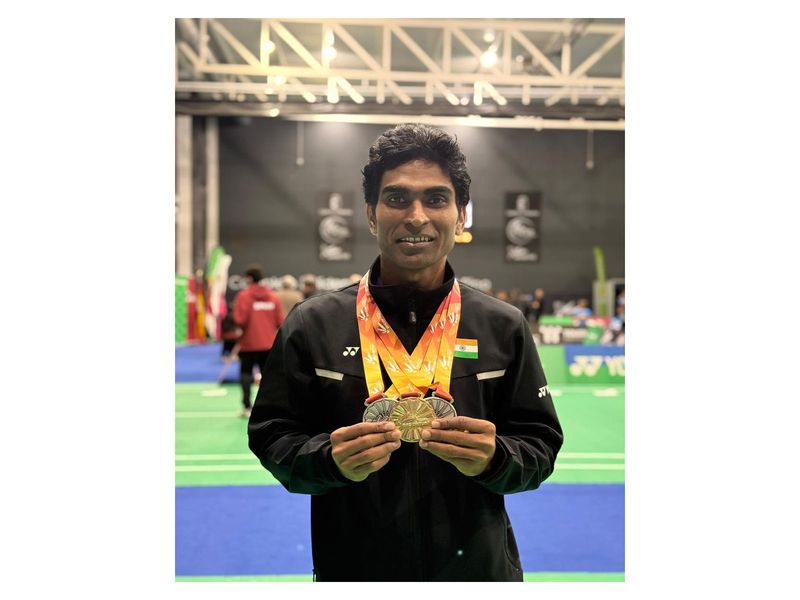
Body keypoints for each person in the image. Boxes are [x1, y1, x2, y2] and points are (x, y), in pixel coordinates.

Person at [248, 124, 562, 581]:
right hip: (354, 573)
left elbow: (541, 445)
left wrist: (496, 459)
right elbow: (272, 435)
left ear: (460, 216)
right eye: (397, 198)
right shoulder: (312, 324)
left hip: (477, 573)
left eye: (436, 199)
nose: (416, 217)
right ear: (371, 214)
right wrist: (326, 461)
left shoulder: (503, 326)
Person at [233, 265, 284, 418]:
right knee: (269, 378)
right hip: (268, 344)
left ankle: (247, 407)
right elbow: (280, 321)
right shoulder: (273, 296)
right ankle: (269, 408)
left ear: (249, 278)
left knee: (246, 374)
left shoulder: (243, 296)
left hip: (248, 344)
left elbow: (240, 320)